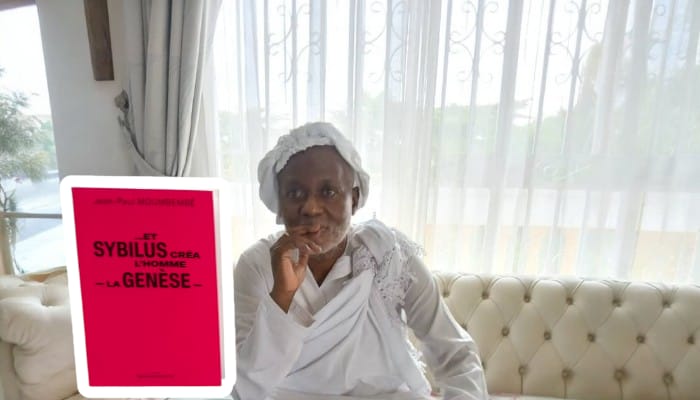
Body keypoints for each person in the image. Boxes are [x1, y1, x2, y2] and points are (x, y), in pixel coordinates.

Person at [233, 122, 488, 400]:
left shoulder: (389, 254)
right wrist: (281, 297)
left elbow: (457, 355)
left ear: (353, 199)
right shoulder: (257, 264)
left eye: (328, 192)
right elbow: (243, 388)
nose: (311, 208)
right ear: (280, 206)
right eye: (295, 193)